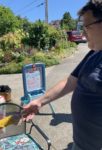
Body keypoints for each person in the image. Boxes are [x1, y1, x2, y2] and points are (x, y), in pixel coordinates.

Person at [23, 1, 102, 150]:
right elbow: (70, 82)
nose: (83, 32)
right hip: (80, 142)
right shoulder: (93, 53)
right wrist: (39, 101)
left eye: (87, 26)